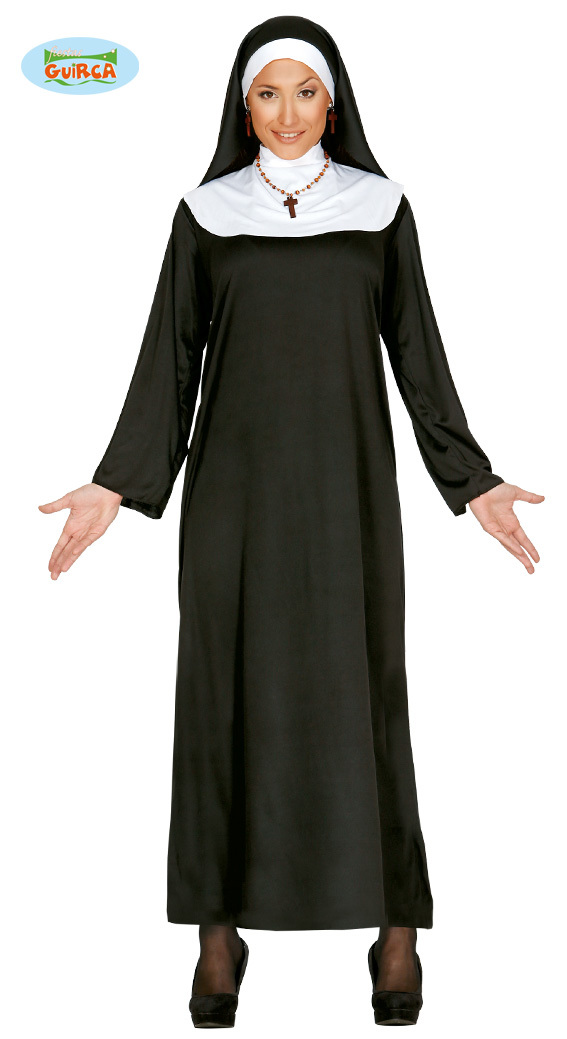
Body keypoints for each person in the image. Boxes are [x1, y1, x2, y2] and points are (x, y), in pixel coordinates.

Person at [39, 15, 544, 1028]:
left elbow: (418, 352)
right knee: (222, 697)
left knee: (368, 691)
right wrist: (114, 482)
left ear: (334, 103)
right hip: (233, 498)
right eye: (266, 94)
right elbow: (170, 361)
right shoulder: (205, 213)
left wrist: (471, 477)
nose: (285, 114)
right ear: (242, 107)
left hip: (349, 493)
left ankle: (395, 927)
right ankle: (218, 932)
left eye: (304, 92)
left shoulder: (381, 208)